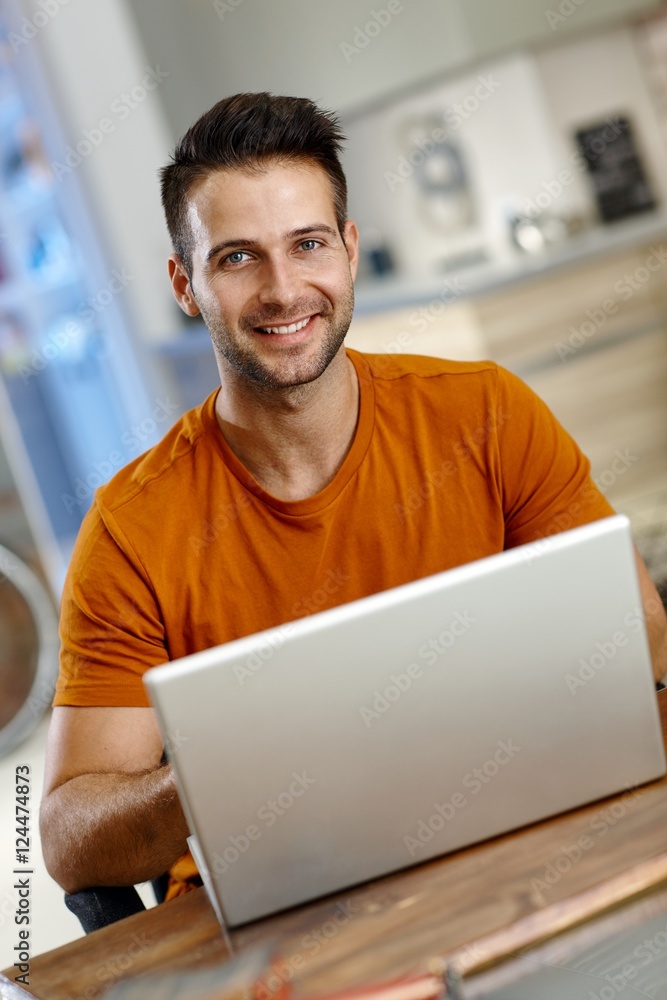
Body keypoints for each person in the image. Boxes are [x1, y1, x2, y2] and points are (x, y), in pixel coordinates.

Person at [40, 92, 667, 902]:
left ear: (348, 249)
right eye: (236, 258)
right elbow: (69, 841)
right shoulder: (132, 529)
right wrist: (222, 776)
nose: (281, 288)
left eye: (306, 244)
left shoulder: (484, 412)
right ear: (184, 284)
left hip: (521, 832)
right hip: (288, 910)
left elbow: (639, 641)